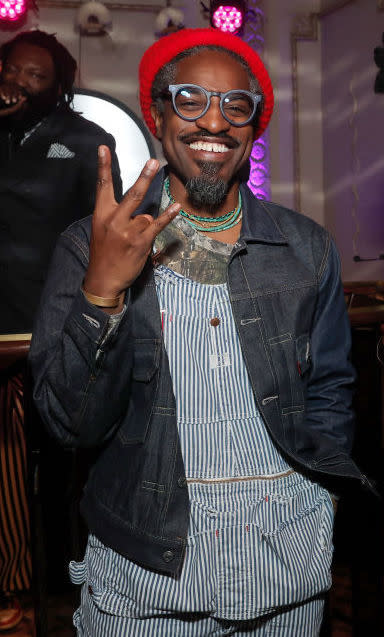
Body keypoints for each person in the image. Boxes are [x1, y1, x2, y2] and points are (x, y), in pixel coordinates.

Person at [30, 28, 365, 636]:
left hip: (286, 565)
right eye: (190, 99)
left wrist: (324, 494)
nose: (215, 121)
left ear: (252, 129)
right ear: (158, 115)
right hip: (148, 574)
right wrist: (101, 292)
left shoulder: (306, 246)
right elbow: (69, 426)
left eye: (236, 105)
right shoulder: (90, 245)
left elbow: (332, 384)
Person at [0, 29, 122, 631]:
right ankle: (14, 582)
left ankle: (74, 584)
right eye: (12, 69)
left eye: (35, 75)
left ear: (59, 85)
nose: (20, 81)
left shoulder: (86, 142)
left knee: (64, 464)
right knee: (8, 469)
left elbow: (107, 236)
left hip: (55, 326)